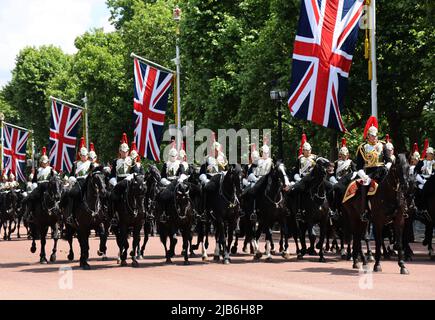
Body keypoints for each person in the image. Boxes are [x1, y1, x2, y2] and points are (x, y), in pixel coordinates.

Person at [356, 116, 392, 221]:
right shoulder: (362, 148)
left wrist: (387, 167)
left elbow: (389, 160)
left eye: (376, 135)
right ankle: (365, 211)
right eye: (372, 136)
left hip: (382, 171)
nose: (374, 137)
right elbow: (359, 166)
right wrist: (364, 176)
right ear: (368, 136)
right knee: (364, 187)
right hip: (369, 173)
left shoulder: (383, 145)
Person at [292, 134, 318, 219]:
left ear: (311, 150)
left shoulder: (315, 158)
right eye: (305, 150)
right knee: (297, 190)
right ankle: (299, 210)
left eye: (308, 150)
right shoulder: (300, 159)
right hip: (302, 179)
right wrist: (298, 178)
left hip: (313, 179)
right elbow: (296, 171)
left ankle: (329, 209)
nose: (307, 151)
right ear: (303, 151)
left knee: (327, 188)